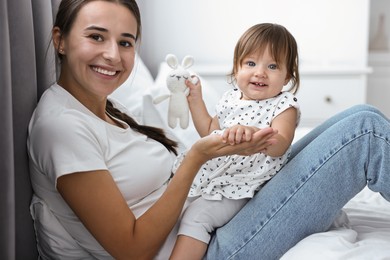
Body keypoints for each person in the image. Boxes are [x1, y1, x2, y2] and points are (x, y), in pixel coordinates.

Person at [27, 0, 390, 259]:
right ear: (60, 40)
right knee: (366, 132)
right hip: (205, 243)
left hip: (219, 202)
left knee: (361, 115)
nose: (112, 54)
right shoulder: (61, 126)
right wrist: (197, 157)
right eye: (96, 36)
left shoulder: (105, 109)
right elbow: (132, 250)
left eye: (125, 42)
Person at [170, 23, 300, 260]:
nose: (260, 72)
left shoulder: (283, 105)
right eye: (251, 63)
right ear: (237, 68)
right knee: (173, 203)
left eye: (272, 66)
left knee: (196, 217)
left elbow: (281, 144)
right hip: (213, 175)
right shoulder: (230, 99)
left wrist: (253, 134)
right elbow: (209, 131)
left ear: (287, 77)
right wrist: (195, 99)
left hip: (243, 186)